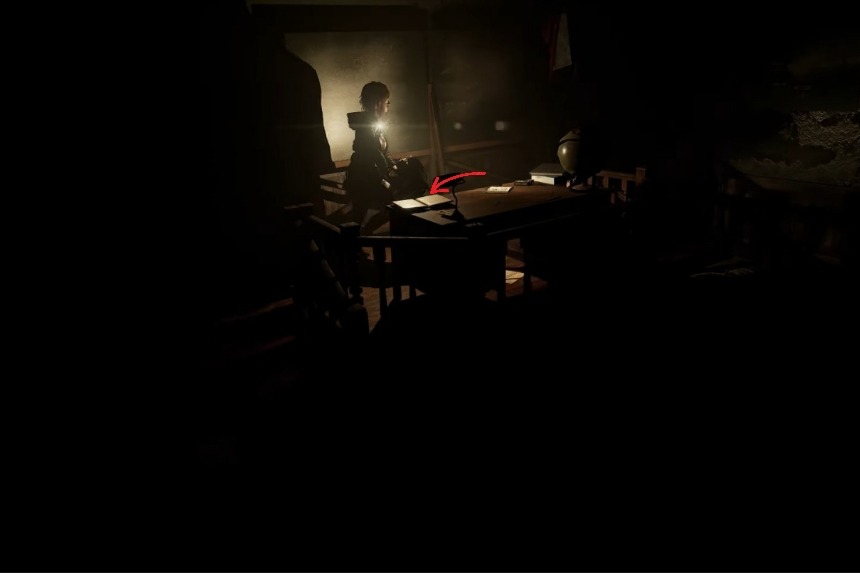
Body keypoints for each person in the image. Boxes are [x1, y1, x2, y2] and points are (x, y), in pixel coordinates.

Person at [343, 81, 428, 233]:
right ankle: (364, 233)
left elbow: (381, 153)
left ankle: (364, 233)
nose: (388, 106)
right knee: (391, 204)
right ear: (378, 103)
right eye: (386, 101)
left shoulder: (374, 124)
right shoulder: (366, 127)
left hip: (373, 176)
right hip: (365, 179)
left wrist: (393, 166)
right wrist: (386, 176)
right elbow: (371, 154)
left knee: (395, 200)